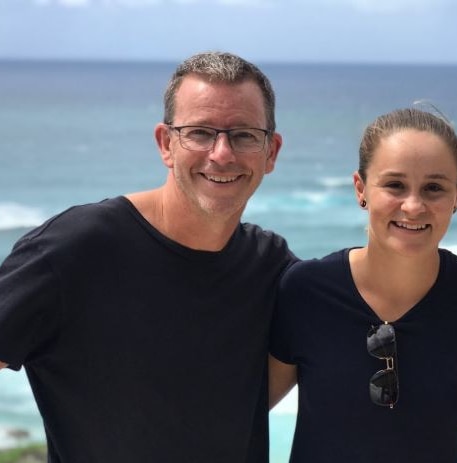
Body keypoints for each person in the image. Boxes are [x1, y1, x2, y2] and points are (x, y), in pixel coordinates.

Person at [0, 51, 297, 462]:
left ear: (271, 152)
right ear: (166, 143)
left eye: (244, 135)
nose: (222, 153)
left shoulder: (271, 266)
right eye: (200, 133)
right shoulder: (75, 249)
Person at [268, 108, 457, 462]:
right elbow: (245, 412)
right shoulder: (305, 292)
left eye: (434, 188)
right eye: (394, 185)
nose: (414, 206)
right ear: (361, 188)